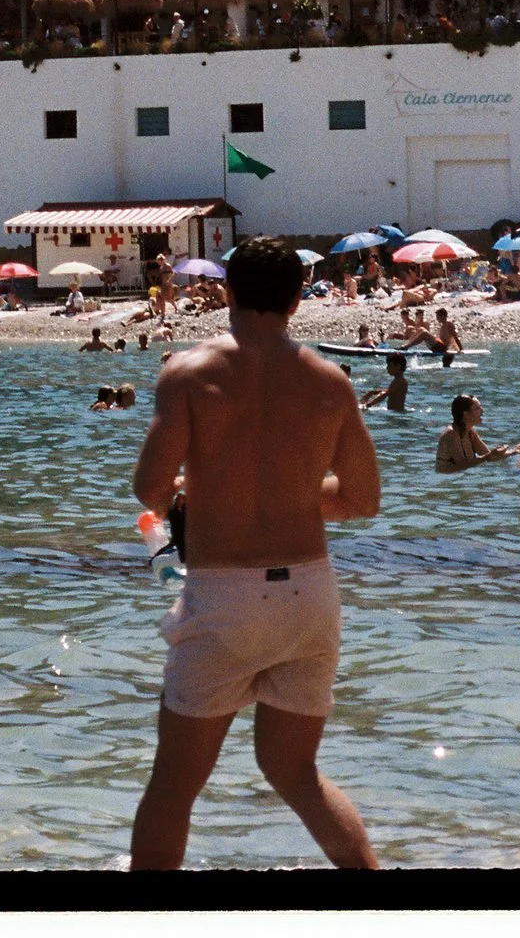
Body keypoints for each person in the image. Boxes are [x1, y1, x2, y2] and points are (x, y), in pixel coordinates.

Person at [127, 235, 382, 872]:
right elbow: (362, 498)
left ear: (227, 292)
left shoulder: (188, 372)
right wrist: (291, 490)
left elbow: (150, 491)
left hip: (225, 595)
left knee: (175, 785)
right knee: (295, 772)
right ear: (299, 299)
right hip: (309, 594)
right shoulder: (330, 381)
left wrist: (204, 489)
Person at [436, 395, 520, 472]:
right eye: (477, 408)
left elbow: (490, 457)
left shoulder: (471, 432)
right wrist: (488, 456)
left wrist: (515, 451)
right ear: (466, 414)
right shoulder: (451, 433)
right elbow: (461, 465)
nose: (482, 411)